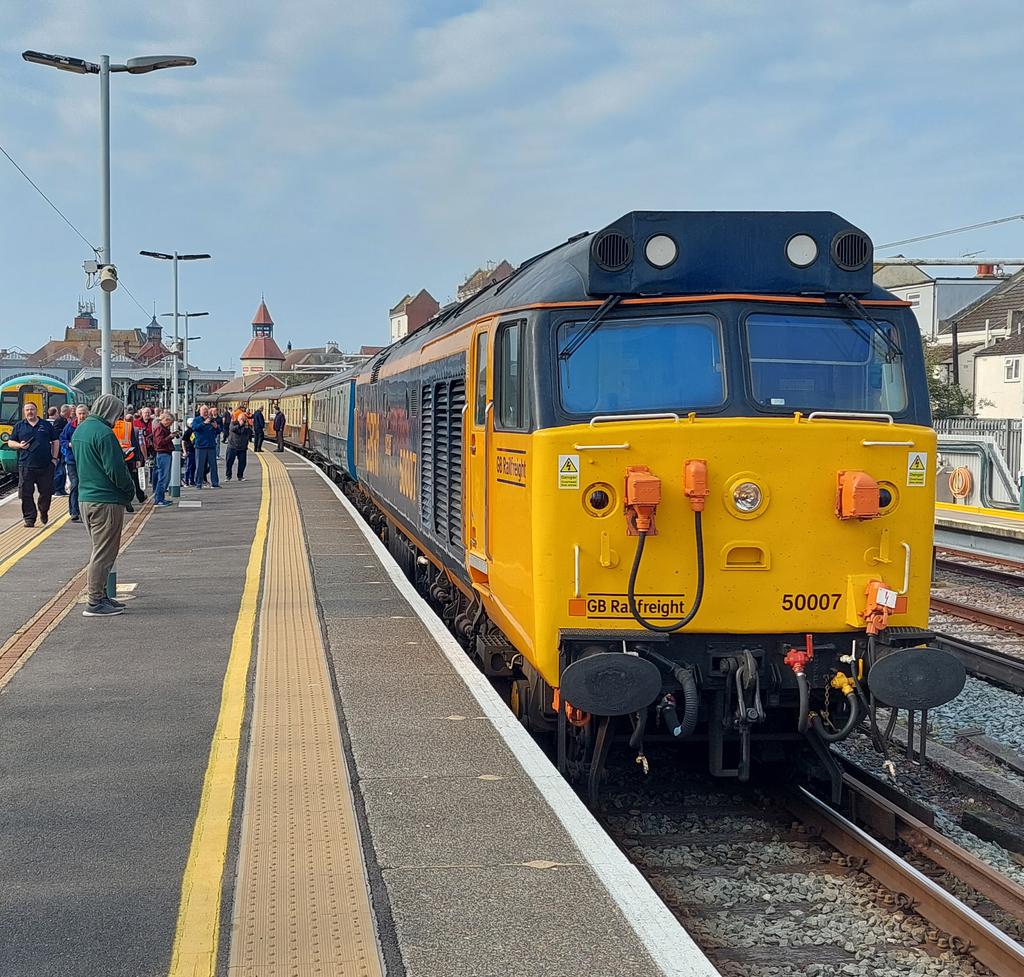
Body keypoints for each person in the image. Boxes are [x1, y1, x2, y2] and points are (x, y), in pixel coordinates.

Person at [71, 394, 135, 617]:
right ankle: (95, 601)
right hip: (106, 500)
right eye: (117, 414)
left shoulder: (81, 430)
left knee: (100, 550)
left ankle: (102, 596)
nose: (117, 418)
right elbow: (116, 470)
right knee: (103, 553)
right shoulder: (104, 434)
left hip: (85, 499)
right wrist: (130, 491)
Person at [7, 402, 59, 527]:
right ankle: (29, 518)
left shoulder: (45, 425)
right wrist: (20, 445)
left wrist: (54, 458)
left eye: (32, 409)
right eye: (27, 410)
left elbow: (55, 441)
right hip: (26, 465)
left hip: (45, 465)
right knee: (25, 493)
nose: (30, 412)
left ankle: (43, 510)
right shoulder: (19, 426)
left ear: (37, 411)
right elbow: (10, 442)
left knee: (46, 492)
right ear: (24, 412)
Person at [60, 404, 89, 522]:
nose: (82, 416)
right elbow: (62, 439)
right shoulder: (70, 426)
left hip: (87, 460)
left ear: (88, 414)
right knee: (75, 484)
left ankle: (85, 511)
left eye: (84, 413)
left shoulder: (90, 426)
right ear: (76, 414)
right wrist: (69, 444)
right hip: (72, 460)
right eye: (80, 413)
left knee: (86, 485)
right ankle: (74, 511)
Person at [192, 405, 221, 489]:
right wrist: (204, 423)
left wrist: (216, 427)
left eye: (206, 410)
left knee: (213, 466)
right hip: (200, 446)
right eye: (203, 410)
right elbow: (195, 428)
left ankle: (215, 483)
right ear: (200, 412)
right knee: (200, 466)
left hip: (211, 445)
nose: (205, 412)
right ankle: (198, 483)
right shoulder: (197, 420)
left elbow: (218, 430)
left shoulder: (212, 420)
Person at [152, 411, 174, 507]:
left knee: (165, 477)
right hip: (162, 453)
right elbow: (159, 442)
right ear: (166, 420)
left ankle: (160, 498)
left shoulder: (162, 428)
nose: (171, 424)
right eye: (170, 422)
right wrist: (170, 437)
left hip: (165, 453)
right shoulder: (159, 428)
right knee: (163, 477)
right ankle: (159, 499)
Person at [225, 413, 253, 481]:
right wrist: (239, 425)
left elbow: (250, 433)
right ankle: (228, 476)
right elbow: (232, 429)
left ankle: (240, 476)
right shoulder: (233, 423)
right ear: (238, 418)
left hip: (242, 447)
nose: (243, 420)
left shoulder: (246, 426)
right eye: (241, 419)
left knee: (242, 462)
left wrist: (247, 427)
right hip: (232, 446)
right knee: (229, 462)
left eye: (244, 419)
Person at [51, 405, 71, 495]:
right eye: (70, 411)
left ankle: (61, 488)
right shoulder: (59, 420)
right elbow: (56, 434)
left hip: (62, 450)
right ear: (66, 412)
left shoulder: (64, 420)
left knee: (62, 470)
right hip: (59, 450)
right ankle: (57, 489)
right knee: (59, 471)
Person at [182, 412, 197, 486]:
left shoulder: (196, 430)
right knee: (188, 466)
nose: (192, 425)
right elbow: (183, 441)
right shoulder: (187, 432)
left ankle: (192, 480)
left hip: (195, 450)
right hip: (189, 450)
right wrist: (184, 451)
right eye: (191, 423)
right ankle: (186, 480)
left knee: (193, 466)